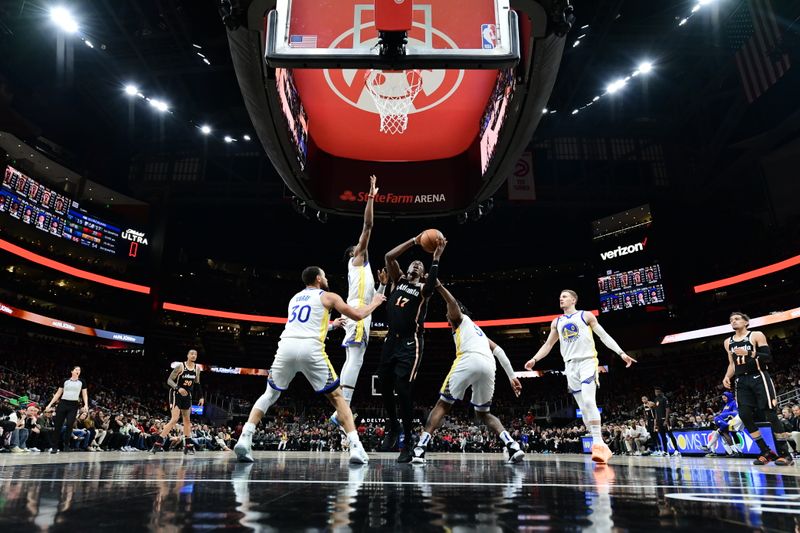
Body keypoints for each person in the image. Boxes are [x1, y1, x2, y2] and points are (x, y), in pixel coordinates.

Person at [234, 266, 386, 464]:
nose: (326, 278)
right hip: (310, 349)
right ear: (318, 279)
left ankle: (245, 438)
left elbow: (304, 323)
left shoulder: (294, 299)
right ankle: (356, 447)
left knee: (269, 394)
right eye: (324, 275)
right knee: (338, 397)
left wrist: (332, 325)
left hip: (286, 347)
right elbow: (357, 315)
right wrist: (374, 302)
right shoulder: (328, 296)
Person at [411, 284, 524, 465]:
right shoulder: (479, 332)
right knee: (484, 413)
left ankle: (420, 449)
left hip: (468, 360)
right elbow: (500, 351)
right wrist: (512, 376)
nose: (447, 317)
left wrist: (438, 285)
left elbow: (452, 302)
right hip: (489, 365)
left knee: (443, 404)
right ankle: (512, 445)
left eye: (448, 314)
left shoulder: (459, 318)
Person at [524, 290, 636, 464]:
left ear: (574, 299)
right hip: (570, 366)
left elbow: (604, 336)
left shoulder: (586, 316)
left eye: (565, 296)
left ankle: (598, 443)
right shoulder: (557, 322)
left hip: (587, 362)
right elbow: (548, 345)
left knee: (590, 401)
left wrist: (621, 353)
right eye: (560, 296)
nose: (561, 298)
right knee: (583, 408)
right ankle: (599, 443)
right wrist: (534, 359)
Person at [379, 233, 446, 463]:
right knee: (384, 383)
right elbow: (389, 256)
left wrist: (436, 257)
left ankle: (407, 442)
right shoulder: (398, 281)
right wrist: (415, 241)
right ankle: (394, 427)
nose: (416, 263)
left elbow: (431, 283)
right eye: (413, 262)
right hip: (390, 340)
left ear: (424, 273)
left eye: (420, 264)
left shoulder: (423, 290)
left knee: (403, 390)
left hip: (410, 342)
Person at [332, 175, 379, 422]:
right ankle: (343, 409)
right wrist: (371, 196)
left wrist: (382, 284)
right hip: (359, 312)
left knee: (355, 359)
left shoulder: (363, 268)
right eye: (359, 246)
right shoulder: (357, 259)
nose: (362, 246)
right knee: (355, 359)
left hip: (360, 311)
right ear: (354, 252)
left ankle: (341, 409)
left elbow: (377, 296)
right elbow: (368, 226)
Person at [722, 311, 793, 465]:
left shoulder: (756, 335)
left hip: (759, 376)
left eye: (737, 318)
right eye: (731, 319)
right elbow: (732, 364)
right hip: (741, 380)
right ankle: (766, 451)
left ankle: (785, 454)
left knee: (770, 414)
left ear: (746, 322)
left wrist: (749, 352)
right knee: (745, 415)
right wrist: (727, 376)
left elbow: (768, 357)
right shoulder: (728, 341)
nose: (733, 321)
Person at [151, 349, 205, 455]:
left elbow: (197, 384)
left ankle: (188, 445)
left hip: (187, 395)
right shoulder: (180, 366)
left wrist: (201, 397)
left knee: (187, 421)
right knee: (175, 419)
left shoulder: (197, 369)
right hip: (176, 393)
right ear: (187, 355)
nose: (194, 355)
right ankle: (158, 443)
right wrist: (178, 387)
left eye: (195, 354)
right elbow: (169, 380)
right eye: (192, 354)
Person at [44, 366, 89, 454]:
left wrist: (86, 405)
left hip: (73, 405)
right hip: (63, 403)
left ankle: (66, 445)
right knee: (58, 425)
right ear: (72, 371)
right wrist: (50, 404)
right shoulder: (65, 380)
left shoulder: (82, 381)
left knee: (69, 424)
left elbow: (85, 394)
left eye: (79, 370)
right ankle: (54, 447)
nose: (78, 371)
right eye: (76, 369)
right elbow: (58, 393)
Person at [704, 392, 743, 457]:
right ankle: (736, 452)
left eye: (725, 398)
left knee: (723, 433)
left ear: (729, 396)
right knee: (721, 433)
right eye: (723, 398)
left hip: (733, 420)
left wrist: (724, 415)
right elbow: (724, 413)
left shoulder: (734, 403)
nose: (724, 399)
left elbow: (735, 412)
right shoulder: (726, 405)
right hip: (727, 421)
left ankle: (735, 452)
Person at [652, 387, 680, 457]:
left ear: (660, 392)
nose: (656, 393)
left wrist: (666, 420)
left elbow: (667, 409)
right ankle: (665, 451)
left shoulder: (664, 399)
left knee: (670, 435)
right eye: (655, 392)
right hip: (659, 421)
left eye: (657, 392)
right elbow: (655, 411)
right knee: (662, 436)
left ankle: (677, 450)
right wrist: (656, 421)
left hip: (665, 420)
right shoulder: (655, 400)